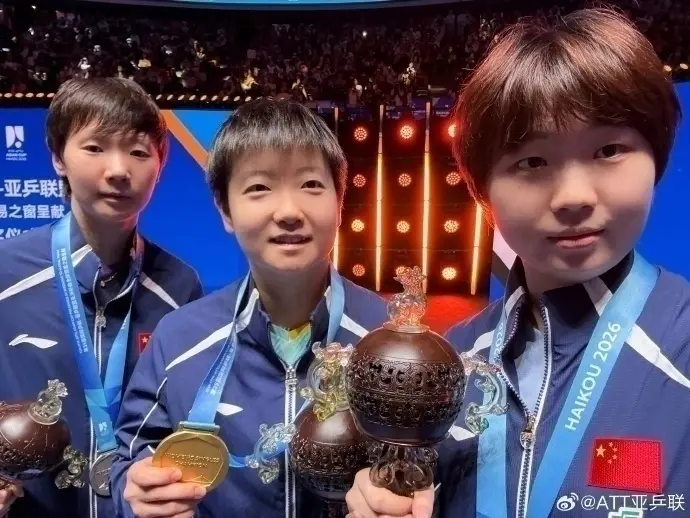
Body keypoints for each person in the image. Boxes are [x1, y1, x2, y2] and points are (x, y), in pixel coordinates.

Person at [345, 8, 690, 518]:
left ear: (656, 158)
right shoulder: (448, 365)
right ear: (482, 191)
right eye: (532, 162)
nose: (573, 196)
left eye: (609, 150)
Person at [111, 99, 389, 518]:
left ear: (340, 202)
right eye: (259, 187)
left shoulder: (390, 343)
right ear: (225, 210)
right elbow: (130, 459)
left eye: (311, 184)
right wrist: (135, 491)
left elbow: (439, 468)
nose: (289, 212)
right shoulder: (179, 338)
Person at [0, 77, 203, 518]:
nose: (118, 170)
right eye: (94, 148)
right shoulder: (5, 272)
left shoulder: (180, 287)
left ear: (160, 165)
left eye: (138, 152)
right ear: (58, 158)